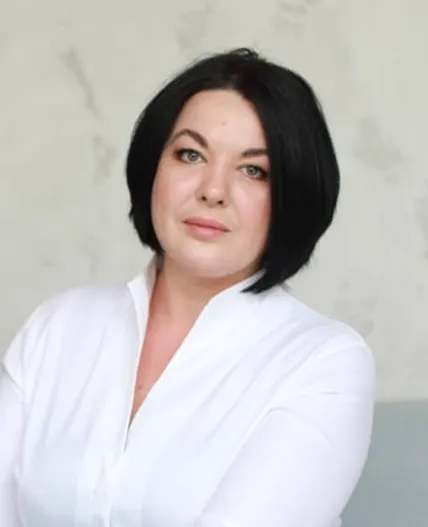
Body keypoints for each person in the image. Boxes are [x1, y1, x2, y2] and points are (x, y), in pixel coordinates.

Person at [0, 48, 375, 527]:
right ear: (152, 169)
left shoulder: (324, 361)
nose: (212, 190)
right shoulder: (58, 327)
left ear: (293, 197)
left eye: (254, 170)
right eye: (190, 155)